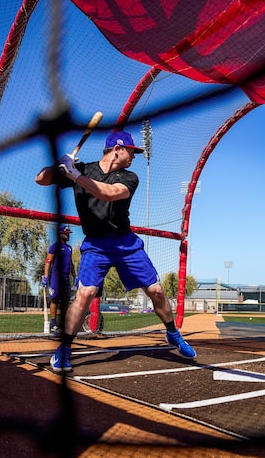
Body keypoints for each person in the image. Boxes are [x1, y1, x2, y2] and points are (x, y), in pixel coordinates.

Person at [35, 130, 196, 372]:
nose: (134, 156)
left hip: (125, 243)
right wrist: (59, 164)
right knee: (85, 294)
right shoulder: (83, 169)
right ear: (117, 149)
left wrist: (75, 175)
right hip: (96, 245)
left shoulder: (129, 177)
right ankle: (64, 350)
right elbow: (41, 179)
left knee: (157, 291)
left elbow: (108, 193)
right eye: (131, 151)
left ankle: (173, 334)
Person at [41, 224, 74, 333]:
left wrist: (75, 276)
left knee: (66, 301)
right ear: (60, 234)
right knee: (54, 299)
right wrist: (46, 276)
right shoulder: (54, 246)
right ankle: (53, 323)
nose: (68, 236)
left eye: (68, 234)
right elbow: (48, 262)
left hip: (66, 277)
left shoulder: (69, 248)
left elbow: (71, 263)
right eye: (66, 234)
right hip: (56, 276)